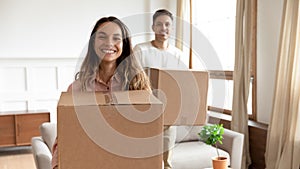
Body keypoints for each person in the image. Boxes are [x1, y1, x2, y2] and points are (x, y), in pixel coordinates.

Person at [51, 16, 151, 169]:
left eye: (116, 38)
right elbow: (65, 136)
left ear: (124, 45)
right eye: (102, 37)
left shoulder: (138, 85)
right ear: (93, 43)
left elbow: (149, 131)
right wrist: (58, 165)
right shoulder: (77, 89)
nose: (109, 43)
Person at [133, 9, 188, 169]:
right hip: (144, 110)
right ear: (153, 27)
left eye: (167, 24)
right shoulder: (141, 49)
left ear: (172, 28)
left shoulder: (178, 54)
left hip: (169, 112)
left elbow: (182, 83)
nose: (163, 28)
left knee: (166, 161)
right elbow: (133, 80)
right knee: (144, 155)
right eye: (159, 24)